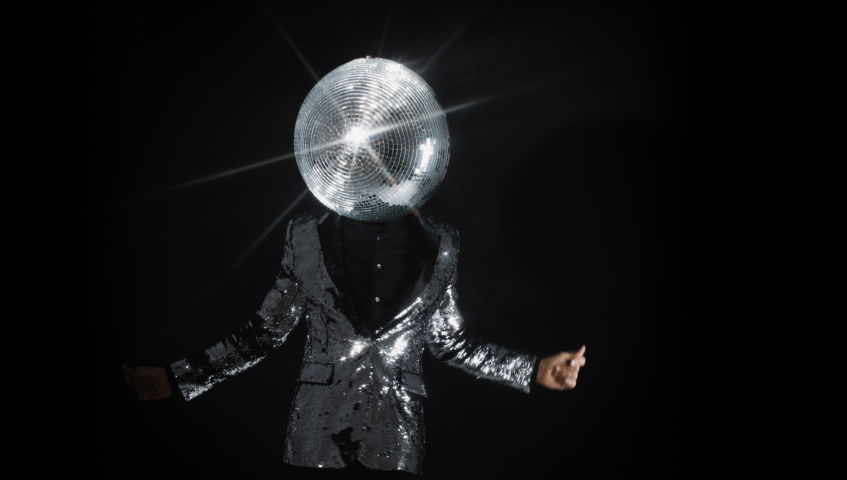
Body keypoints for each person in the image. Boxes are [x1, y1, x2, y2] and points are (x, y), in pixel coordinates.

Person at [122, 58, 586, 479]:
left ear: (406, 149)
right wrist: (179, 378)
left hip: (395, 443)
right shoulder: (305, 235)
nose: (373, 155)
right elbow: (264, 332)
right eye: (364, 145)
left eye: (385, 145)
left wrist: (532, 370)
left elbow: (449, 341)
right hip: (315, 439)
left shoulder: (442, 242)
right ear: (342, 154)